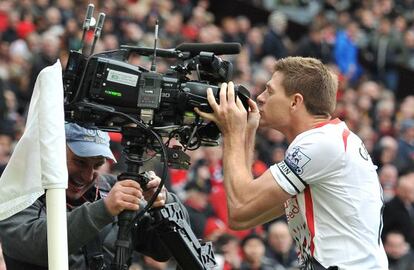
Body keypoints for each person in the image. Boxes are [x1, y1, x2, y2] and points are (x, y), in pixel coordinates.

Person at [195, 56, 388, 269]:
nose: (260, 97)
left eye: (270, 91)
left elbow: (241, 204)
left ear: (295, 102)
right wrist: (247, 133)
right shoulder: (329, 140)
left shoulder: (319, 144)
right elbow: (241, 218)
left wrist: (232, 132)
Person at [0, 123, 188, 270]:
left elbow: (163, 250)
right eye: (80, 162)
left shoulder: (111, 188)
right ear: (50, 154)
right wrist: (104, 209)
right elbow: (43, 247)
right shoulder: (18, 195)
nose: (88, 176)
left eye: (97, 165)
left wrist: (163, 203)